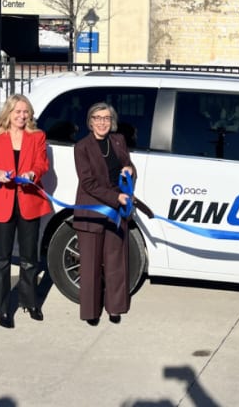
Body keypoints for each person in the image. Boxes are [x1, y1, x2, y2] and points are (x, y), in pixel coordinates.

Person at [0, 94, 52, 329]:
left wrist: (33, 173)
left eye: (26, 112)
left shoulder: (38, 136)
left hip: (29, 200)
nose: (22, 116)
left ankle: (30, 301)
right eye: (18, 112)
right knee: (0, 259)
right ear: (8, 113)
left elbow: (42, 164)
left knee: (29, 258)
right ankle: (1, 307)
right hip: (3, 202)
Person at [73, 102, 136, 326]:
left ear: (112, 122)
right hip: (92, 210)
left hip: (116, 213)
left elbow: (128, 164)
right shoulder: (82, 147)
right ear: (90, 122)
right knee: (90, 266)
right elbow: (88, 183)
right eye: (98, 118)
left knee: (116, 262)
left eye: (106, 118)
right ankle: (91, 312)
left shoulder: (118, 141)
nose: (102, 122)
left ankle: (115, 308)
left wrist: (130, 170)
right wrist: (114, 198)